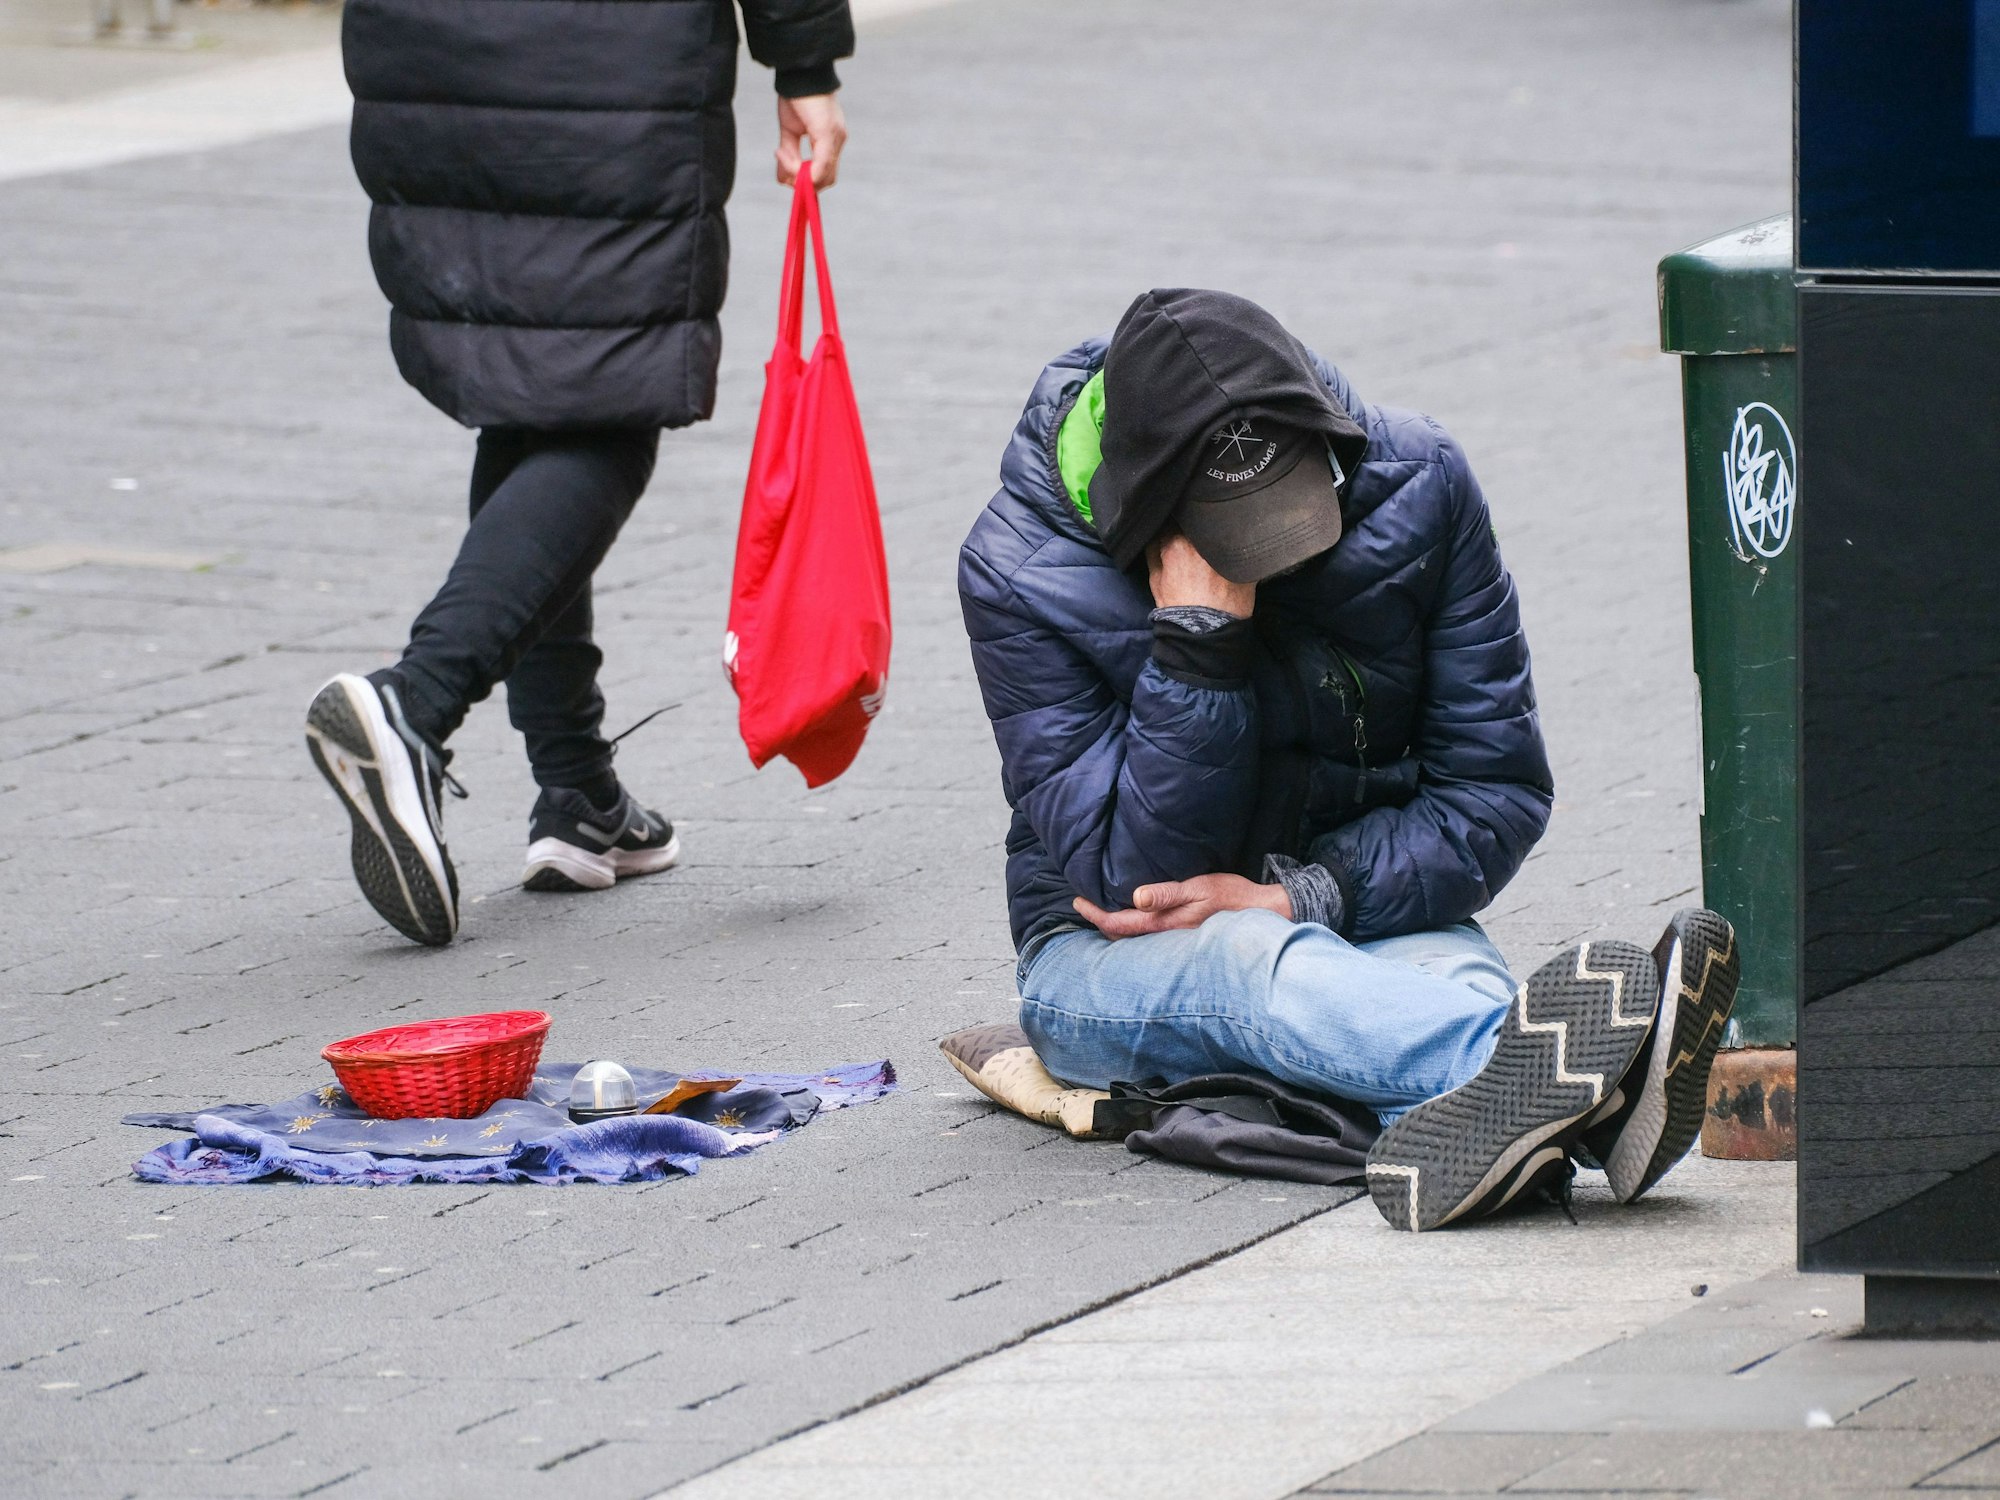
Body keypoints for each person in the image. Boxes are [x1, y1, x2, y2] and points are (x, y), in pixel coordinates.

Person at [957, 288, 1741, 1231]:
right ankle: (1584, 1096)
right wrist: (1198, 646)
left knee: (1442, 993)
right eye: (1243, 540)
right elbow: (1139, 889)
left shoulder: (1416, 482)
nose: (1281, 559)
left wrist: (1303, 896)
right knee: (1251, 958)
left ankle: (1529, 1115)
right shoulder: (1017, 571)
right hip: (1104, 960)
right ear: (1149, 520)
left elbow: (1492, 792)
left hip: (1358, 912)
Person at [305, 0, 854, 946]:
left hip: (428, 53)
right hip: (611, 62)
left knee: (542, 386)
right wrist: (804, 60)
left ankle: (578, 791)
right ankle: (417, 701)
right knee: (610, 402)